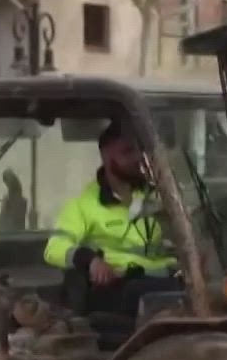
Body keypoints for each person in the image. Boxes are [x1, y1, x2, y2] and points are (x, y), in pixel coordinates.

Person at [43, 124, 180, 320]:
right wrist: (91, 260)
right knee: (139, 291)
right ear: (108, 159)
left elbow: (186, 240)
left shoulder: (158, 197)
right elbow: (54, 249)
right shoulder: (83, 206)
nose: (137, 158)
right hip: (122, 288)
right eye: (128, 152)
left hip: (167, 282)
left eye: (139, 151)